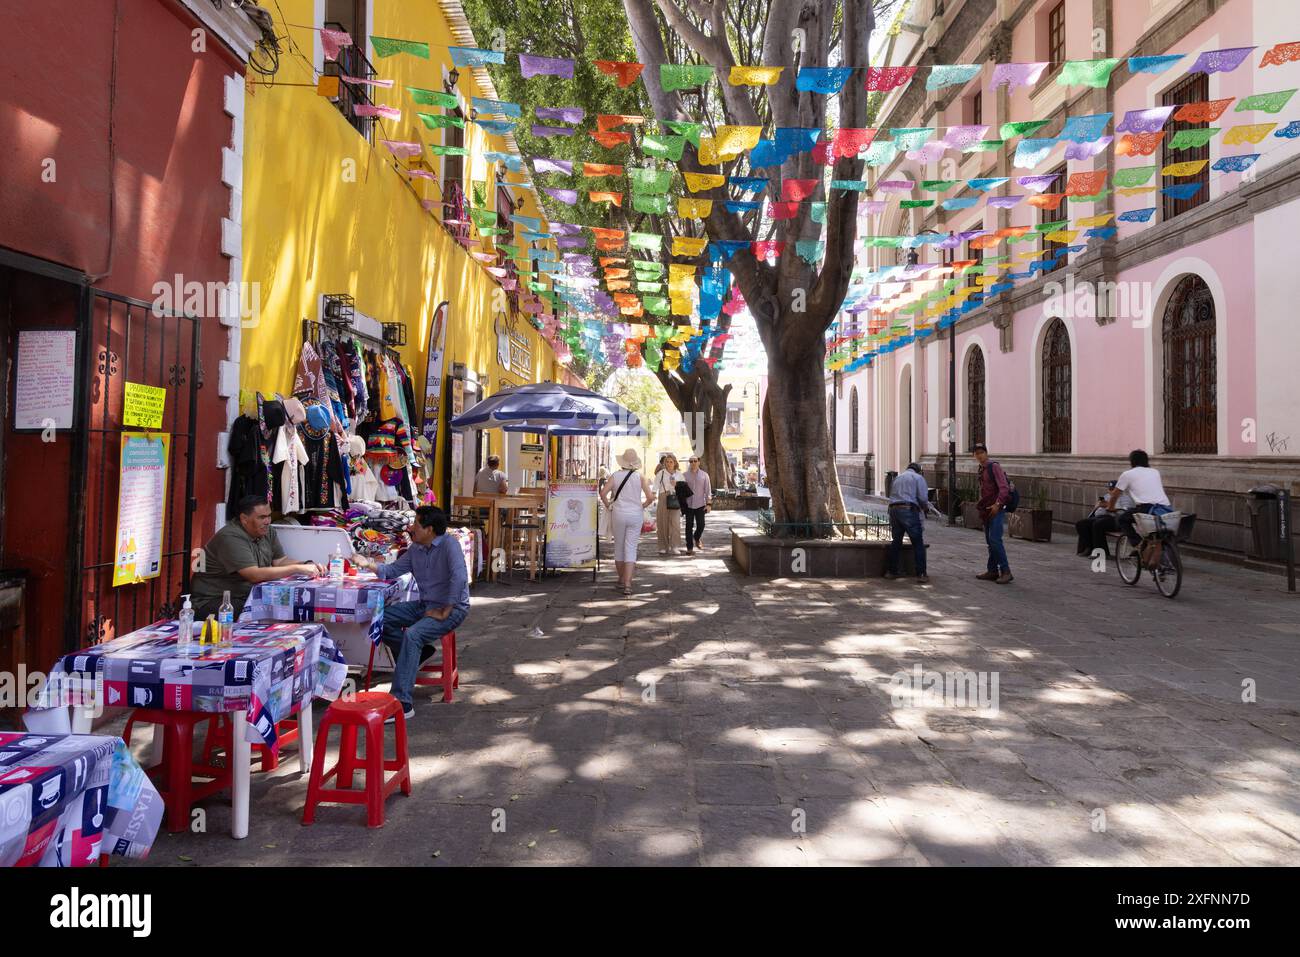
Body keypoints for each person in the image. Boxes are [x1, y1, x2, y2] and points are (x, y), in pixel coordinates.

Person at [352, 506, 469, 721]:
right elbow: (393, 570)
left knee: (413, 635)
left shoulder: (449, 545)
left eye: (416, 524)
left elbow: (459, 579)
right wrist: (368, 564)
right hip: (425, 604)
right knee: (381, 619)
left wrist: (446, 610)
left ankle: (401, 703)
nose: (411, 528)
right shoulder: (415, 549)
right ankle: (420, 653)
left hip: (453, 609)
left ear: (430, 529)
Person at [190, 496, 321, 619]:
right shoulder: (230, 537)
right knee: (272, 609)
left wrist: (306, 564)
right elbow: (254, 575)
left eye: (269, 516)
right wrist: (297, 568)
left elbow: (280, 561)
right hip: (212, 601)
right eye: (262, 517)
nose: (267, 521)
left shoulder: (267, 531)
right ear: (244, 519)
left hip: (246, 596)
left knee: (292, 603)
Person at [600, 448, 654, 595]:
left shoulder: (615, 476)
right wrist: (641, 506)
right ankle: (628, 584)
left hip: (618, 514)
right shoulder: (640, 477)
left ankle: (621, 579)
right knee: (631, 547)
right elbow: (650, 498)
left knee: (619, 547)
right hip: (635, 515)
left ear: (622, 462)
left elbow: (603, 493)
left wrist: (609, 505)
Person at [1106, 450, 1173, 547]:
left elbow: (1115, 495)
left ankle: (1138, 544)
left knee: (1123, 519)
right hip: (1165, 507)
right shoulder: (1155, 472)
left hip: (1146, 508)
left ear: (1132, 461)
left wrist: (1110, 507)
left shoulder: (1127, 474)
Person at [972, 444, 1014, 584]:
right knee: (990, 541)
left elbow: (1004, 487)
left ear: (986, 453)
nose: (979, 455)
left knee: (995, 539)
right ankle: (992, 570)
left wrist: (998, 504)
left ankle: (1006, 571)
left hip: (997, 508)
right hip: (987, 509)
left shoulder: (993, 467)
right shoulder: (981, 469)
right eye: (977, 453)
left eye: (982, 452)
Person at [885, 463, 929, 584]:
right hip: (908, 510)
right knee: (917, 542)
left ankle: (891, 571)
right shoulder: (918, 478)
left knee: (896, 541)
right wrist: (925, 508)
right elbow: (923, 498)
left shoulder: (898, 478)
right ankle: (921, 573)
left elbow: (891, 494)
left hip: (894, 510)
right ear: (918, 471)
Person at [1076, 480, 1133, 557]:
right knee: (1081, 523)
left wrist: (1109, 506)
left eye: (1113, 489)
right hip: (1104, 517)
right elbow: (1098, 514)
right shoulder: (1106, 496)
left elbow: (1125, 513)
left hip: (1116, 520)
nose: (1111, 491)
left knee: (1098, 524)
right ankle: (1088, 547)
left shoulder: (1126, 498)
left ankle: (1101, 553)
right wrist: (1098, 507)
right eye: (1109, 489)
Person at [654, 453, 685, 555]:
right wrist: (653, 497)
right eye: (667, 462)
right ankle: (663, 546)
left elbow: (684, 488)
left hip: (675, 498)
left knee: (675, 523)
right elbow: (655, 487)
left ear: (675, 463)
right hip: (663, 497)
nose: (668, 464)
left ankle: (675, 546)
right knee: (662, 523)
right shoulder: (661, 473)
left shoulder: (679, 474)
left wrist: (676, 485)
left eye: (671, 462)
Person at [682, 455, 712, 554]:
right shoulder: (684, 475)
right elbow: (681, 491)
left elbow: (708, 491)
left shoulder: (704, 475)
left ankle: (697, 537)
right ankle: (689, 548)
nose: (693, 463)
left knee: (701, 525)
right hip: (688, 505)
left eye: (695, 461)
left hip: (700, 504)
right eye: (691, 461)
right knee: (688, 526)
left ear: (699, 462)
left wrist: (709, 504)